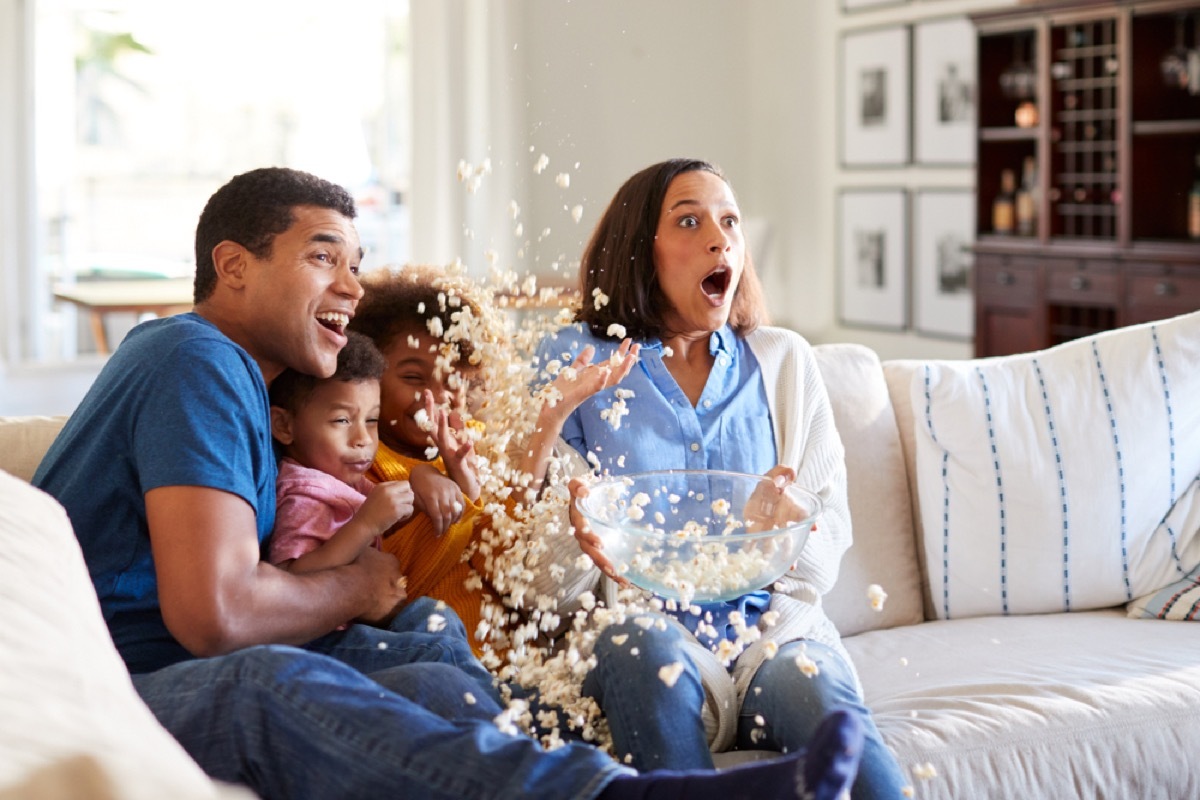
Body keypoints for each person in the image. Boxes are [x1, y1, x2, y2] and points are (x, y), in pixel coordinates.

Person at [32, 165, 860, 800]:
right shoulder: (193, 357)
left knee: (429, 646)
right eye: (324, 258)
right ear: (233, 267)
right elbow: (216, 617)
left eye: (357, 264)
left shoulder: (254, 390)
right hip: (126, 681)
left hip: (195, 656)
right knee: (272, 687)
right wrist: (357, 585)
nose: (352, 289)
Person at [528, 158, 908, 799]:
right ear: (637, 251)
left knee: (824, 702)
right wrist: (576, 534)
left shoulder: (785, 360)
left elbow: (825, 548)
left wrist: (781, 530)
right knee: (633, 642)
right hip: (650, 637)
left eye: (729, 220)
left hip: (773, 639)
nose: (719, 238)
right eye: (689, 220)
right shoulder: (573, 361)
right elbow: (546, 583)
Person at [347, 265, 494, 655]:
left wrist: (464, 477)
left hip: (506, 658)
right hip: (429, 659)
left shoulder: (479, 443)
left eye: (453, 380)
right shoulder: (362, 456)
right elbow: (395, 587)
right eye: (413, 378)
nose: (435, 396)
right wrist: (418, 485)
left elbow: (505, 566)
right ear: (370, 375)